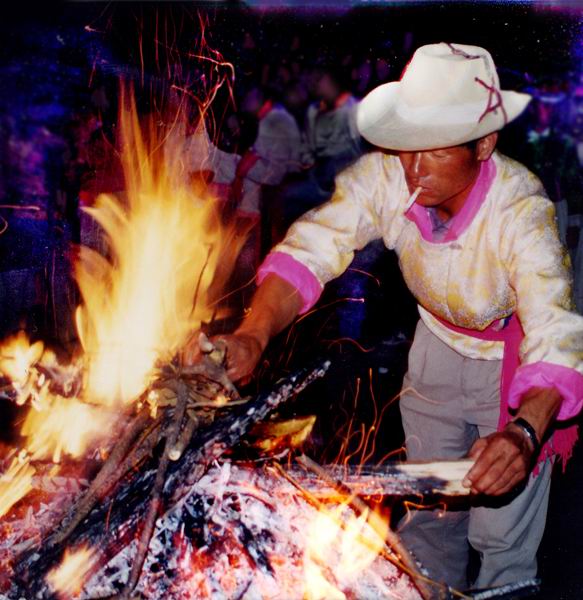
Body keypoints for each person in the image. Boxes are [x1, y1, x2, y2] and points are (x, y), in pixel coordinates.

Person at [183, 43, 583, 591]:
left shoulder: (520, 209)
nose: (415, 166)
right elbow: (311, 248)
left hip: (512, 364)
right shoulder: (388, 176)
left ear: (484, 144)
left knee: (499, 525)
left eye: (437, 150)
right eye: (408, 145)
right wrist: (253, 334)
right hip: (436, 348)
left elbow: (556, 330)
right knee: (431, 507)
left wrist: (523, 431)